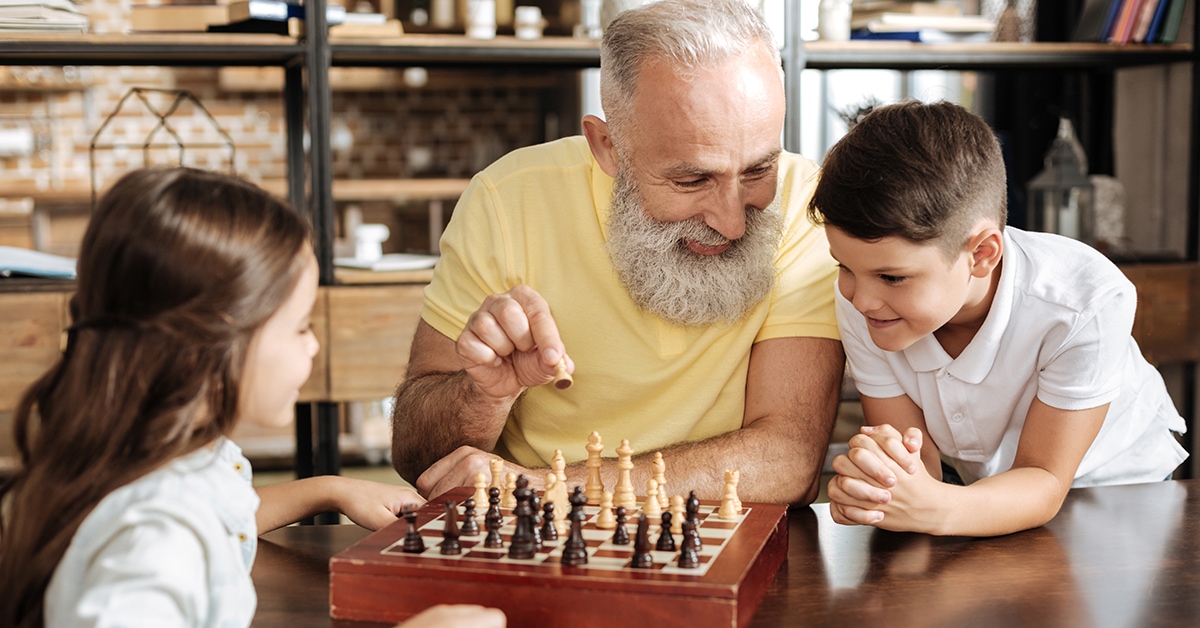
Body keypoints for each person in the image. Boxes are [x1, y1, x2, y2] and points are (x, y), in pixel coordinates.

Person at [0, 167, 505, 628]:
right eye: (300, 326)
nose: (313, 344)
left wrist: (329, 490)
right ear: (214, 342)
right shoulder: (153, 542)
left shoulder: (182, 457)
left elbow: (223, 514)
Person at [391, 0, 844, 505]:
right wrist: (485, 394)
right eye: (692, 179)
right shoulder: (508, 199)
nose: (732, 222)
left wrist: (552, 489)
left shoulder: (809, 203)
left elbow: (788, 461)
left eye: (758, 170)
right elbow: (416, 456)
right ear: (607, 145)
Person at [811, 100, 1188, 537]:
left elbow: (1044, 479)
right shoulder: (866, 299)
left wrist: (934, 508)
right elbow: (916, 466)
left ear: (982, 254)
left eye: (893, 277)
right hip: (976, 489)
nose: (861, 300)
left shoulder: (1083, 302)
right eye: (844, 266)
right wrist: (883, 489)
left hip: (1116, 491)